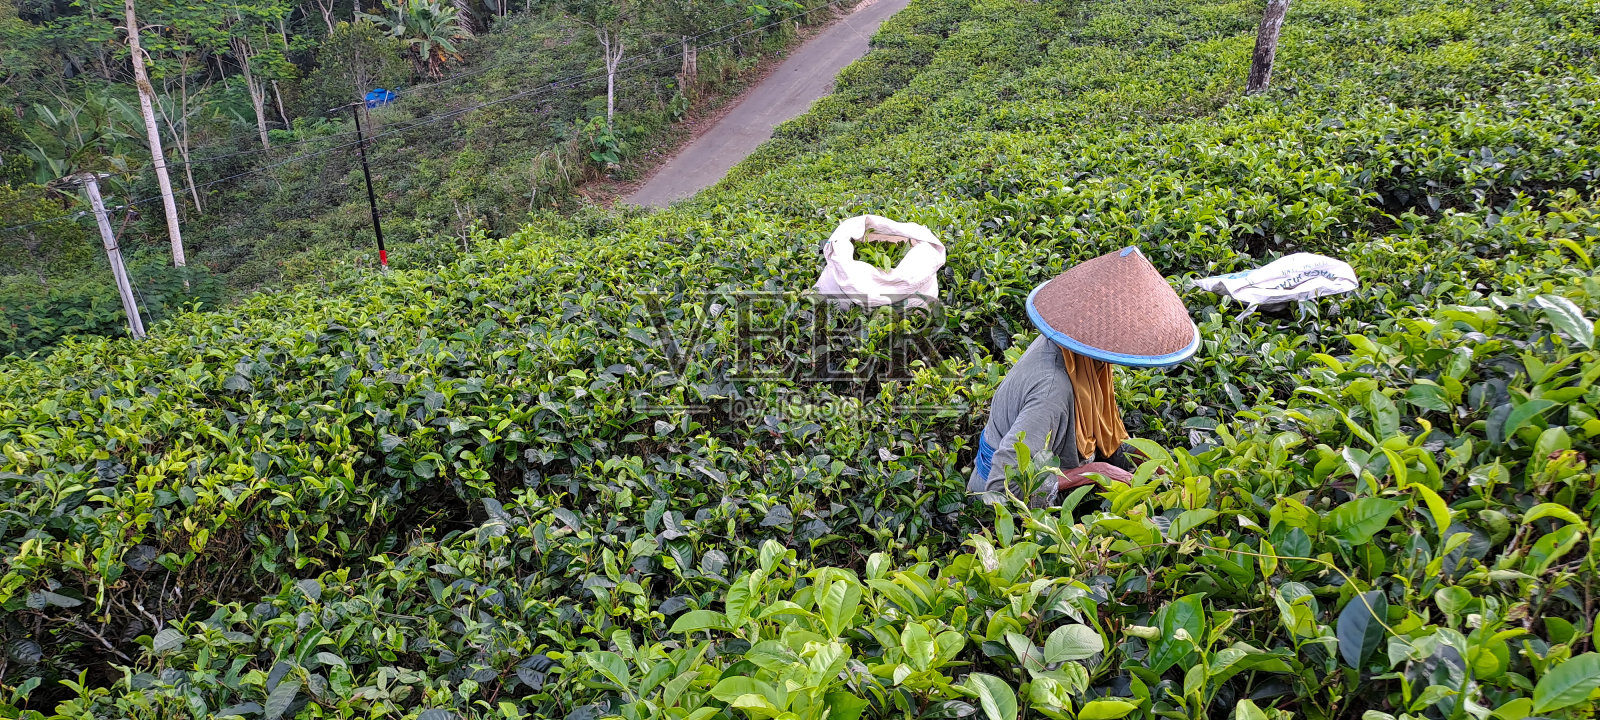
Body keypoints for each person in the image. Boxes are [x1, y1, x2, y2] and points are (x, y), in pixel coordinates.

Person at [970, 246, 1200, 507]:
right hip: (995, 512)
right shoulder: (1053, 390)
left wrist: (1158, 466)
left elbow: (1104, 432)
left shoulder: (1081, 355)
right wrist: (1093, 473)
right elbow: (1005, 486)